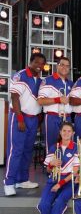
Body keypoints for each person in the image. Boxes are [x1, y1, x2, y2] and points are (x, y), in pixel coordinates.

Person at [4, 53, 46, 196]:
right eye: (36, 63)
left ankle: (22, 180)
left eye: (42, 63)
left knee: (28, 151)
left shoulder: (41, 81)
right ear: (30, 62)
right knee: (16, 151)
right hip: (19, 116)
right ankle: (9, 182)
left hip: (33, 119)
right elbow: (14, 98)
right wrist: (20, 119)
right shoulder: (20, 76)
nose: (39, 66)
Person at [36, 122, 76, 214]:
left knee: (59, 202)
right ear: (60, 132)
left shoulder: (77, 148)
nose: (66, 133)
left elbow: (76, 172)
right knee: (43, 205)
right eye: (64, 131)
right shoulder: (54, 148)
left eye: (69, 131)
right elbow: (48, 170)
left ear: (73, 133)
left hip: (67, 182)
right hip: (53, 180)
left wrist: (61, 184)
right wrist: (51, 164)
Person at [38, 57, 74, 153]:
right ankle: (51, 167)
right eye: (62, 65)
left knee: (67, 146)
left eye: (67, 66)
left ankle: (65, 167)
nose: (64, 67)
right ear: (57, 66)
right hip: (52, 117)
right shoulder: (48, 80)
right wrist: (58, 99)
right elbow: (40, 101)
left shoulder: (71, 83)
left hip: (67, 118)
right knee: (52, 146)